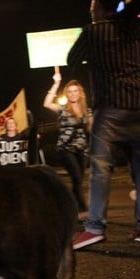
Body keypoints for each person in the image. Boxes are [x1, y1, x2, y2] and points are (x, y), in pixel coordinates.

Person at [68, 0, 140, 248]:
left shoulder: (93, 32)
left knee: (101, 169)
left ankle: (95, 227)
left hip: (110, 108)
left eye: (91, 5)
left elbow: (72, 59)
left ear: (97, 5)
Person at [43, 68, 92, 213]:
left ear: (80, 93)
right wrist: (56, 83)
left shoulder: (86, 111)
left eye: (75, 91)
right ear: (67, 94)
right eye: (70, 91)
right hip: (65, 149)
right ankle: (83, 210)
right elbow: (46, 104)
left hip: (82, 150)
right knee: (76, 178)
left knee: (78, 181)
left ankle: (69, 206)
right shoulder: (62, 108)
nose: (73, 94)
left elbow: (92, 129)